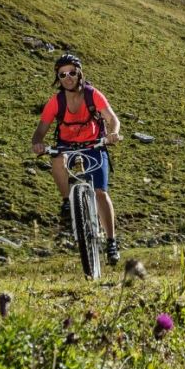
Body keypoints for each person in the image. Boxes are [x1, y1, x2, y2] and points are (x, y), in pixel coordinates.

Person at [30, 53, 123, 265]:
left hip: (94, 145)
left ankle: (111, 242)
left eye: (72, 72)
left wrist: (113, 133)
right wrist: (37, 143)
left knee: (100, 192)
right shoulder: (56, 102)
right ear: (58, 78)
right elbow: (40, 131)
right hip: (67, 146)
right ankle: (66, 201)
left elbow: (112, 119)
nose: (68, 77)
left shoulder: (92, 95)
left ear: (79, 73)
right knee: (57, 159)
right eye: (62, 75)